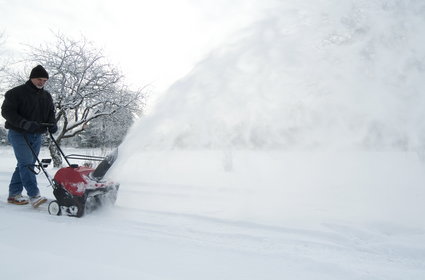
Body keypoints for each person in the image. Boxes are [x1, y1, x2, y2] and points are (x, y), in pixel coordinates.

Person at [1, 65, 58, 208]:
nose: (42, 83)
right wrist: (23, 123)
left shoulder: (46, 95)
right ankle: (34, 195)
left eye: (44, 80)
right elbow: (6, 112)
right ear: (32, 78)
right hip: (18, 133)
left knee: (25, 164)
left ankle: (14, 194)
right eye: (39, 79)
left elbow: (51, 112)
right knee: (27, 164)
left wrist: (52, 124)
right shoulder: (16, 93)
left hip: (36, 135)